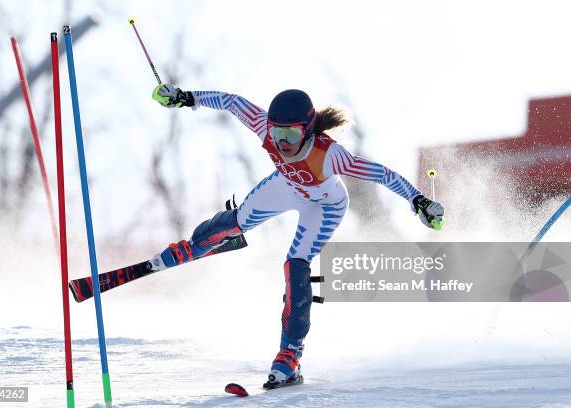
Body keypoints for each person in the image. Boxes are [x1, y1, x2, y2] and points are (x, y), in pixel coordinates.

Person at [148, 84, 444, 387]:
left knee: (295, 265)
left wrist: (418, 201)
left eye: (290, 135)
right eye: (277, 134)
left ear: (307, 130)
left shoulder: (330, 155)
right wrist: (186, 98)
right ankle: (193, 246)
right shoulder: (265, 127)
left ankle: (290, 353)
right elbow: (231, 102)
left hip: (326, 206)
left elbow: (382, 174)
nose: (281, 143)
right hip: (287, 188)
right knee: (237, 221)